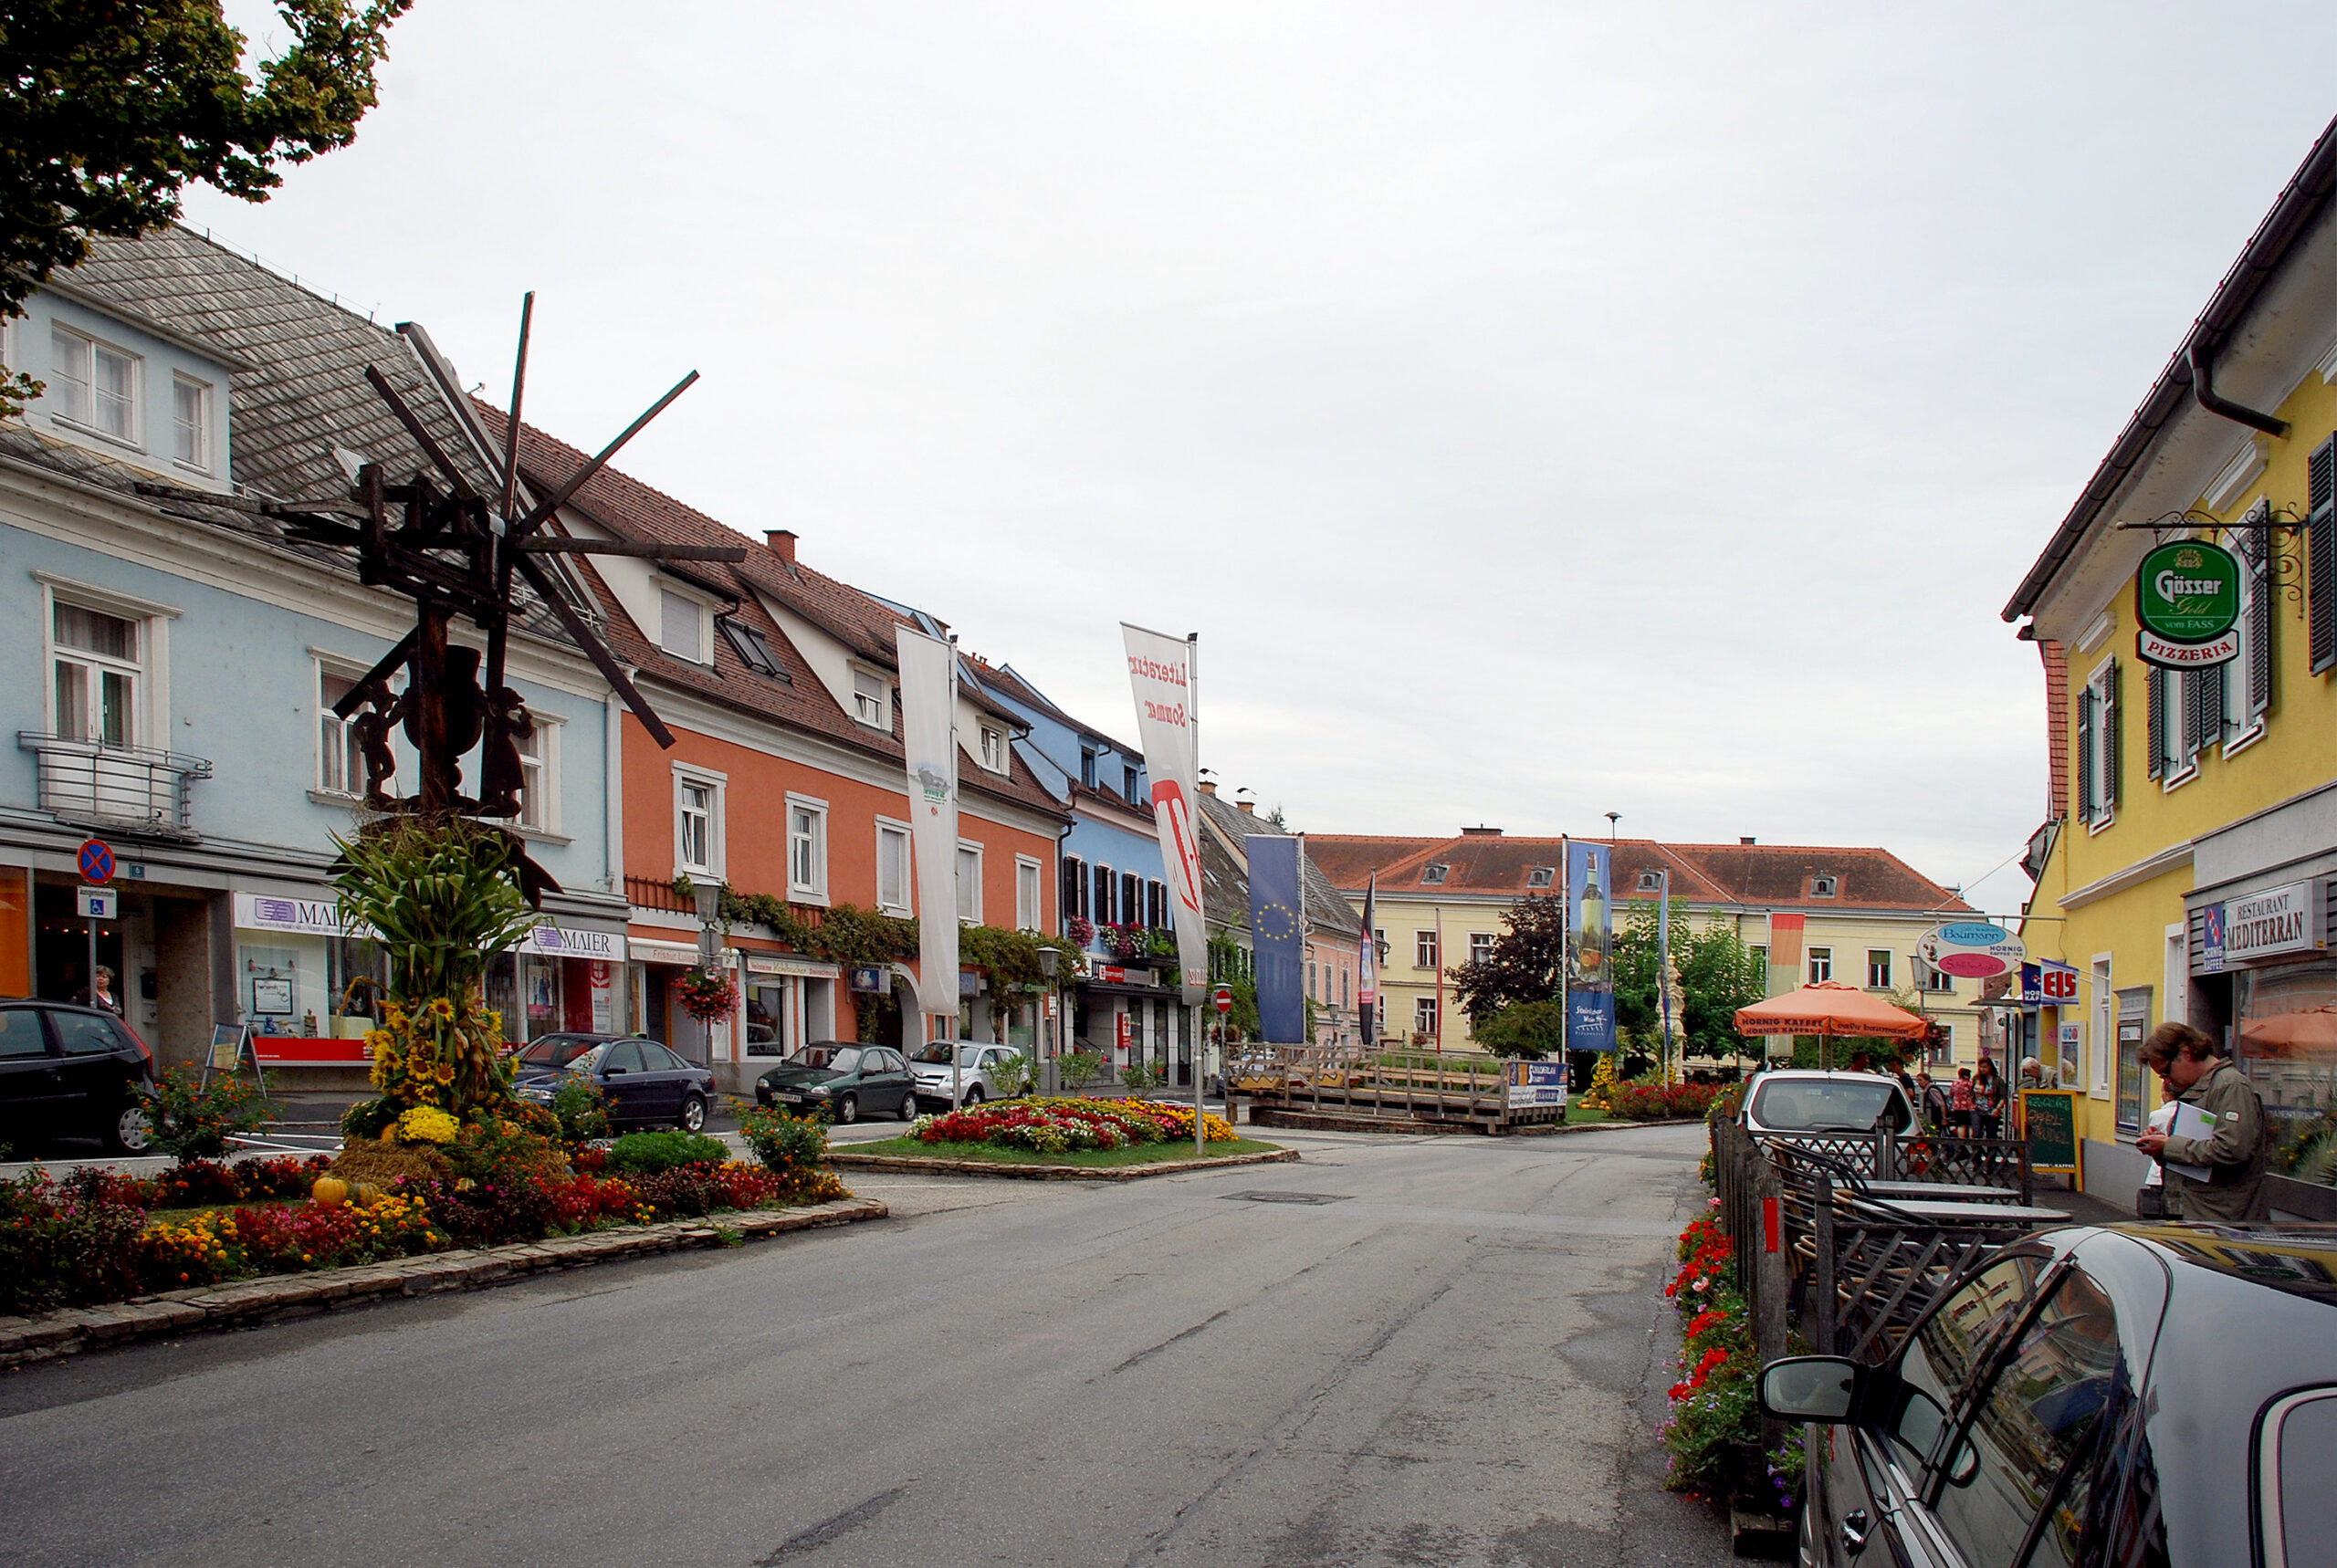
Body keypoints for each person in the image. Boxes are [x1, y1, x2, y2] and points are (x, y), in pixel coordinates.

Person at [2134, 1021, 2270, 1222]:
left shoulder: (2231, 1086)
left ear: (2186, 1053)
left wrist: (2169, 1146)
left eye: (2166, 1072)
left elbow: (2232, 1150)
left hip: (2223, 1219)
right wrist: (2160, 1149)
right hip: (2199, 1212)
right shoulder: (2198, 1088)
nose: (2167, 1082)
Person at [1973, 1058, 2006, 1140]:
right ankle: (1976, 1152)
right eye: (1981, 1067)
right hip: (1977, 1109)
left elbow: (2003, 1096)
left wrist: (1997, 1109)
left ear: (1990, 1067)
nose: (1982, 1069)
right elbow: (1971, 1093)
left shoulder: (1998, 1080)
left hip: (1992, 1110)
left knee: (1991, 1134)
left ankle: (1991, 1152)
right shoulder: (1976, 1078)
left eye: (1985, 1067)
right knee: (1976, 1134)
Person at [1948, 1066, 1975, 1137]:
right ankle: (1972, 1143)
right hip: (1969, 1108)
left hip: (1957, 1108)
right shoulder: (1971, 1084)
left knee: (1960, 1125)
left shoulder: (1955, 1084)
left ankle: (1961, 1142)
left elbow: (1950, 1095)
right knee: (1970, 1125)